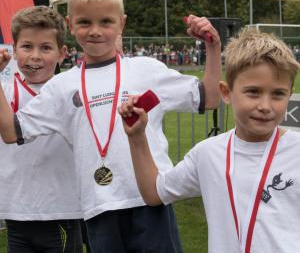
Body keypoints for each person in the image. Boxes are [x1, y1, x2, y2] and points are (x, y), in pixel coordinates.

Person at [0, 0, 221, 253]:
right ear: (70, 24)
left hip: (149, 202)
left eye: (105, 21)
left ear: (122, 23)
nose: (95, 31)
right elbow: (11, 131)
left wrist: (213, 47)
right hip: (98, 208)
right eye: (84, 22)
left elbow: (210, 97)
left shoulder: (146, 69)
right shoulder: (61, 86)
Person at [119, 28, 300, 253]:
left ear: (290, 94)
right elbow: (154, 193)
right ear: (226, 93)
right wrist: (137, 137)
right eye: (253, 92)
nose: (265, 105)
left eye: (278, 94)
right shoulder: (207, 154)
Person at [0, 6, 83, 253]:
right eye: (27, 46)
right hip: (15, 211)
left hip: (60, 212)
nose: (35, 56)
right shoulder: (5, 91)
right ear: (14, 51)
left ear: (62, 53)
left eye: (45, 48)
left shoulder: (72, 92)